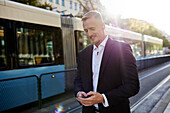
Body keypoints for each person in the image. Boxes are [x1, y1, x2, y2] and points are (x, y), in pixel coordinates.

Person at [74, 10, 140, 113]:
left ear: (102, 26)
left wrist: (103, 98)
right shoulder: (83, 54)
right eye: (86, 30)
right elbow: (78, 80)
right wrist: (79, 92)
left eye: (92, 29)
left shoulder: (122, 49)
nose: (89, 34)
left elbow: (132, 86)